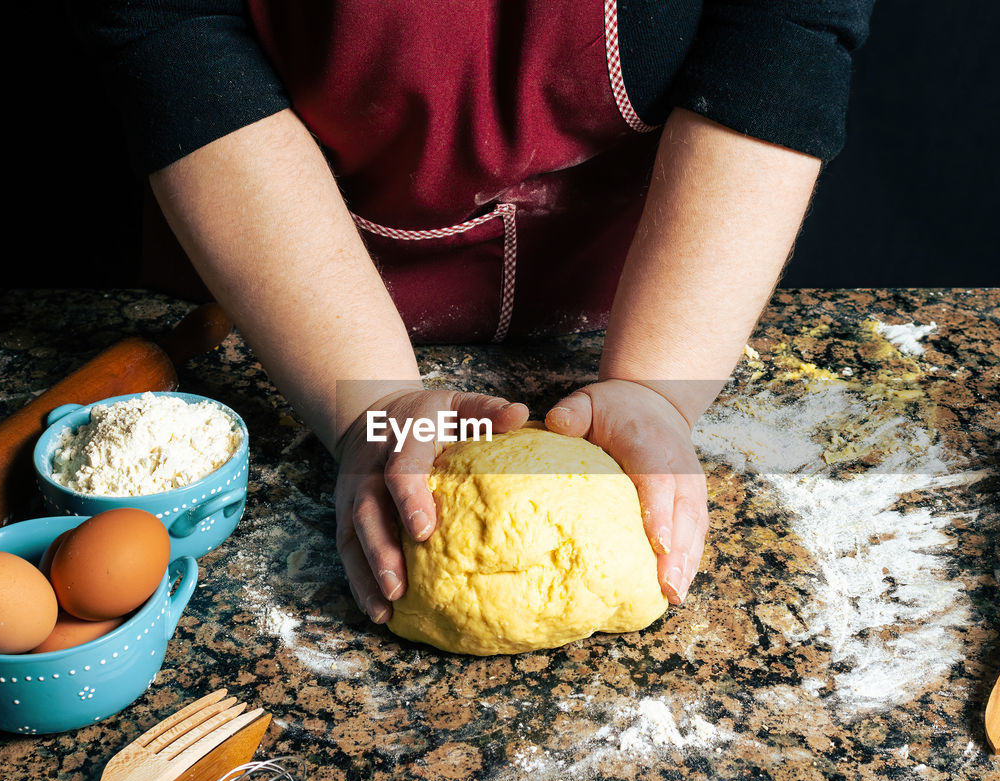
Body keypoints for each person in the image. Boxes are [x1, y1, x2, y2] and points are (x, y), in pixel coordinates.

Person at [74, 0, 875, 624]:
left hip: (659, 270)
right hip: (293, 272)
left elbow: (785, 27)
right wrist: (368, 405)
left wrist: (658, 388)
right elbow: (173, 29)